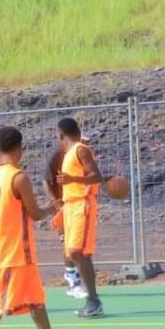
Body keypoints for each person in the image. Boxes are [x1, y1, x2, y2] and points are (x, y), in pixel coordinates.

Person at [0, 126, 84, 329]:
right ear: (19, 148)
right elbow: (34, 213)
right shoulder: (18, 177)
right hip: (14, 251)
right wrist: (52, 210)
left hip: (13, 249)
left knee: (35, 300)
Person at [57, 118, 105, 318]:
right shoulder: (69, 153)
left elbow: (96, 176)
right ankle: (91, 300)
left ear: (60, 134)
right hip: (71, 205)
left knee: (78, 252)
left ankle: (93, 300)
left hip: (82, 205)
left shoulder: (80, 150)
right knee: (73, 252)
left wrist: (72, 179)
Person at [44, 149, 85, 299]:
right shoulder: (57, 156)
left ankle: (76, 278)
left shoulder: (84, 155)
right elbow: (45, 181)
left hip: (80, 206)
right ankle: (73, 281)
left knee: (80, 246)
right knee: (69, 245)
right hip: (64, 206)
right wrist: (55, 202)